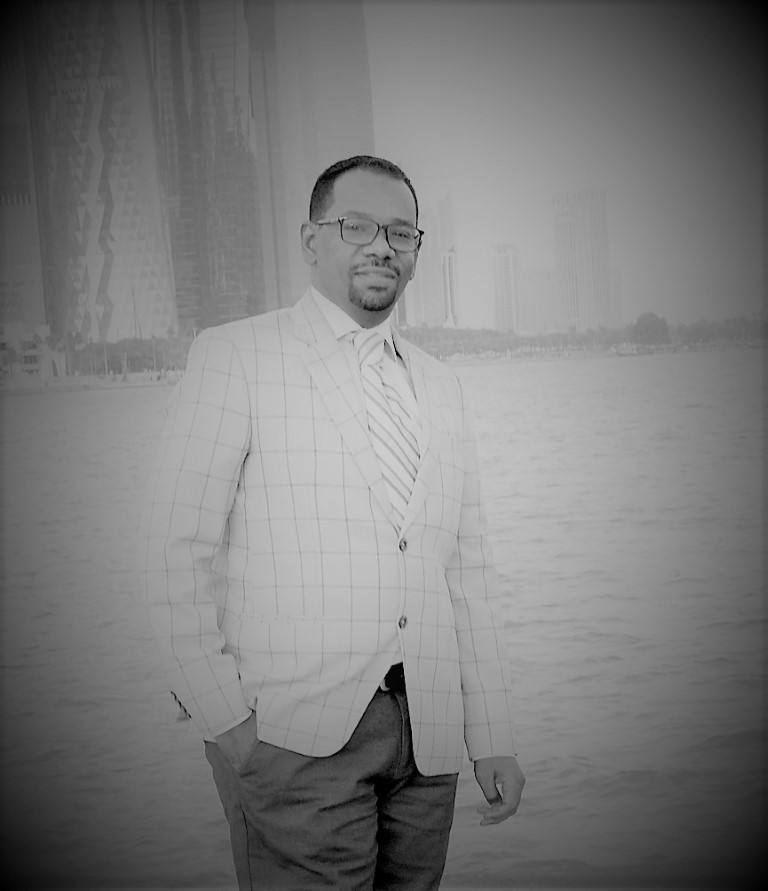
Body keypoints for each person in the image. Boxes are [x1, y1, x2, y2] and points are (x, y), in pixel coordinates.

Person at [142, 155, 525, 890]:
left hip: (428, 745)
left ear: (417, 250)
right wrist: (229, 724)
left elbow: (466, 572)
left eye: (401, 232)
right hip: (292, 742)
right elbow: (174, 552)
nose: (382, 245)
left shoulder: (442, 386)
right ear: (311, 240)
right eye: (358, 226)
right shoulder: (236, 357)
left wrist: (492, 735)